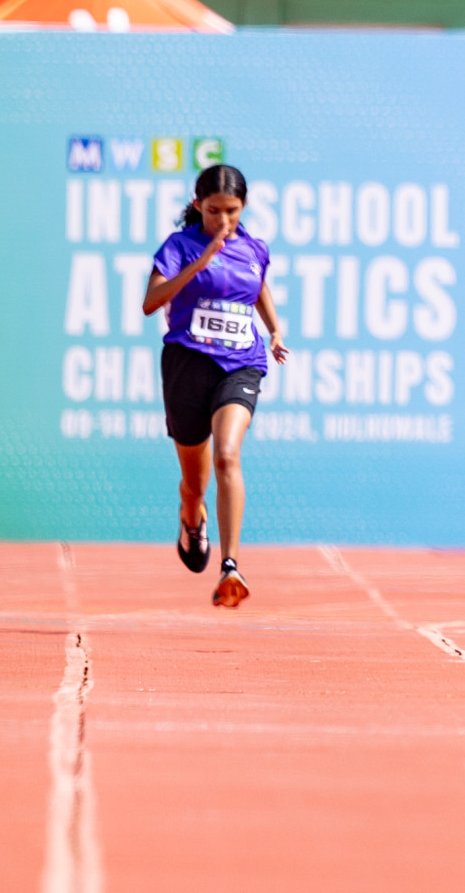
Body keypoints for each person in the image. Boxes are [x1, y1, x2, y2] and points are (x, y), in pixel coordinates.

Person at [142, 165, 287, 608]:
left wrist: (275, 330)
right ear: (197, 205)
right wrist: (201, 263)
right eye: (213, 211)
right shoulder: (179, 246)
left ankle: (231, 566)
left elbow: (258, 286)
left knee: (227, 454)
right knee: (194, 481)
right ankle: (191, 517)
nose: (223, 222)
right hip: (188, 362)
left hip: (240, 364)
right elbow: (151, 303)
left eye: (232, 211)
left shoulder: (254, 248)